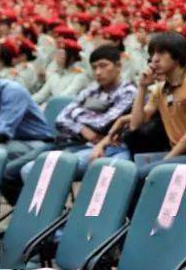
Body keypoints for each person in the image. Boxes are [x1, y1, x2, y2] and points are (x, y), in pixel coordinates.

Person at [24, 45, 136, 181]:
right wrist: (83, 129)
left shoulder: (128, 91)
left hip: (109, 149)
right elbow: (61, 119)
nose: (98, 72)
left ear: (118, 66)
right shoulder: (92, 89)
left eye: (103, 66)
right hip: (80, 144)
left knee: (35, 171)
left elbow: (102, 124)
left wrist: (76, 114)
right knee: (27, 169)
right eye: (94, 68)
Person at [125, 32, 186, 178]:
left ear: (177, 56)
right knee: (128, 170)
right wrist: (142, 87)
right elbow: (135, 124)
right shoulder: (160, 88)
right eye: (152, 54)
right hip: (175, 152)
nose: (154, 59)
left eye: (161, 53)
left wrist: (164, 163)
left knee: (140, 175)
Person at [0, 78, 55, 204]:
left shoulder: (12, 91)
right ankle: (20, 206)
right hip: (12, 143)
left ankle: (25, 208)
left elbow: (2, 133)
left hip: (37, 142)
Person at [32, 40, 90, 106]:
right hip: (55, 107)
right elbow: (41, 95)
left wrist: (46, 105)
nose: (57, 57)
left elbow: (65, 96)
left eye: (62, 54)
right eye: (58, 53)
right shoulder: (55, 75)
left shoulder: (80, 76)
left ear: (71, 58)